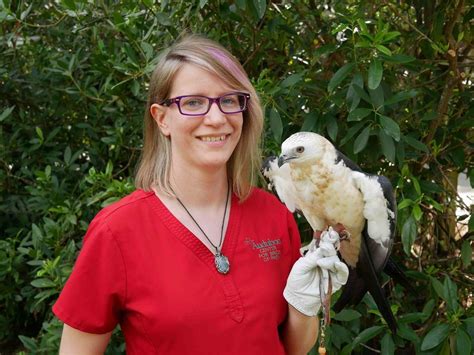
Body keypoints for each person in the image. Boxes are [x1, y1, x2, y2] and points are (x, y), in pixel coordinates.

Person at [53, 34, 347, 354]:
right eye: (193, 102)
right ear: (161, 118)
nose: (217, 118)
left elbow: (292, 347)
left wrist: (304, 306)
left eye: (229, 100)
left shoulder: (273, 215)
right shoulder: (117, 230)